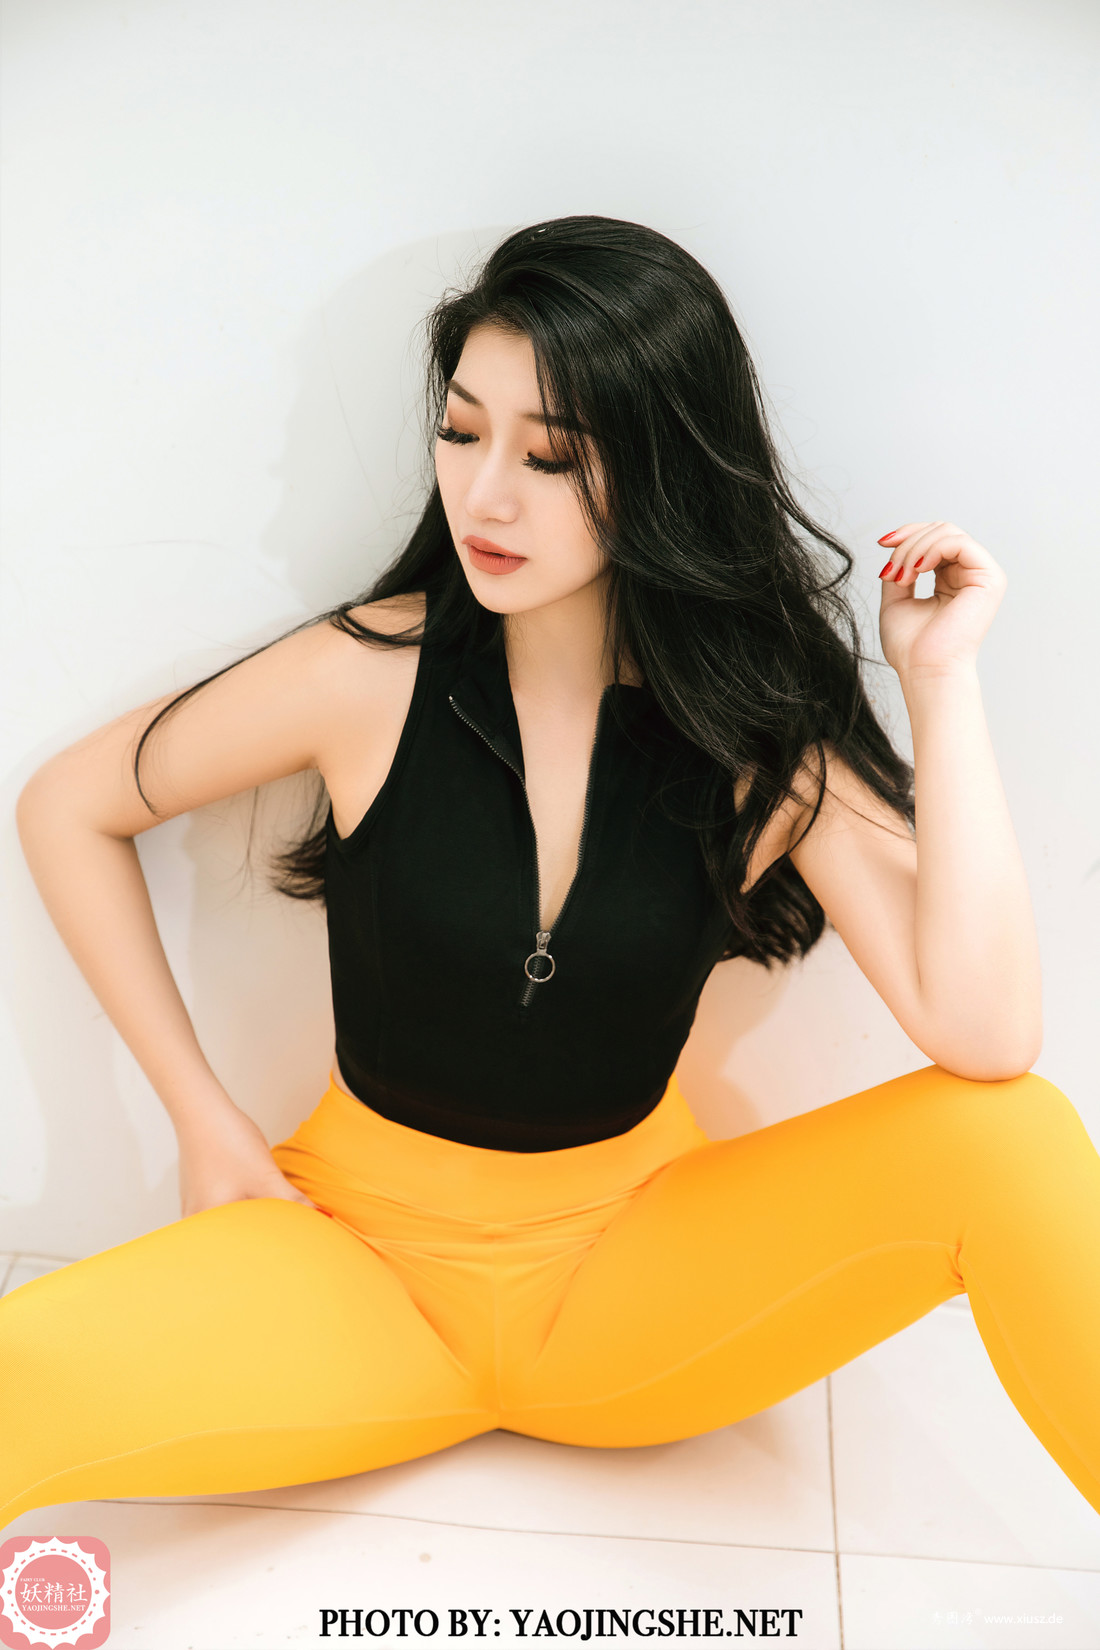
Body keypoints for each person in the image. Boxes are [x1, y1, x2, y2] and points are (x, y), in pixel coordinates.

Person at [4, 215, 1099, 1531]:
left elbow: (988, 1037)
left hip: (635, 1276)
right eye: (462, 433)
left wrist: (942, 680)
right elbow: (68, 807)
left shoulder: (758, 739)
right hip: (351, 1266)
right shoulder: (369, 672)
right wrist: (202, 1118)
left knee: (1013, 1132)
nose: (485, 496)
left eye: (552, 455)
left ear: (662, 469)